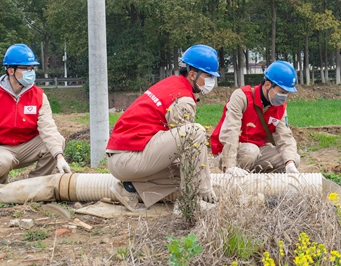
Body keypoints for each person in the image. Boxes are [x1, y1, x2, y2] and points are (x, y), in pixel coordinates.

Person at [106, 44, 219, 211]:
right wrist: (205, 187)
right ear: (193, 74)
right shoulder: (184, 100)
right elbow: (189, 143)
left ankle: (129, 189)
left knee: (187, 168)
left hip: (122, 157)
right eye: (209, 76)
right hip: (129, 158)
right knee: (195, 133)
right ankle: (191, 201)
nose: (212, 82)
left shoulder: (171, 84)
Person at [0, 44, 71, 192]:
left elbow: (48, 128)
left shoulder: (39, 96)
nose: (30, 72)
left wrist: (59, 157)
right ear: (10, 70)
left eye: (32, 68)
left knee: (57, 140)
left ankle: (34, 185)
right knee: (2, 161)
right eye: (26, 68)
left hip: (26, 147)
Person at [210, 60, 301, 177]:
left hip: (258, 151)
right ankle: (235, 179)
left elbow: (285, 136)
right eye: (281, 92)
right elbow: (230, 131)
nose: (283, 97)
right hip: (230, 152)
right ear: (268, 85)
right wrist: (230, 165)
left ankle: (260, 183)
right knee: (250, 151)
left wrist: (290, 163)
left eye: (286, 93)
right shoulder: (241, 97)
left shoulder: (280, 107)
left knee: (294, 158)